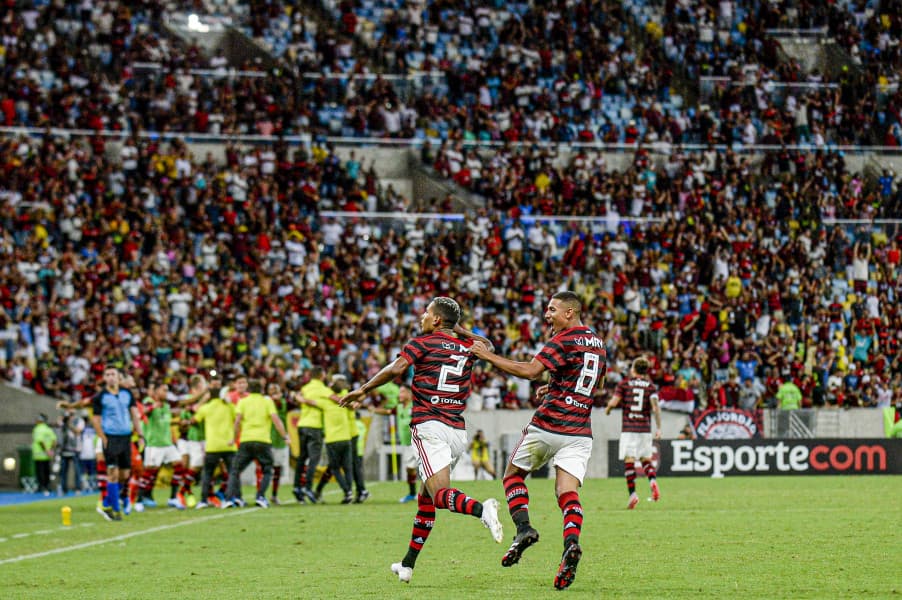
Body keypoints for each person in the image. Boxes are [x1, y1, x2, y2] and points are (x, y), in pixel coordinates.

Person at [341, 296, 504, 584]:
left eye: (426, 313)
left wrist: (363, 390)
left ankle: (483, 510)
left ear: (437, 319)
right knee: (426, 499)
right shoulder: (467, 346)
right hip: (457, 431)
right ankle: (407, 565)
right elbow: (488, 347)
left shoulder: (422, 343)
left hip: (430, 426)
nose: (422, 318)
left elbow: (396, 369)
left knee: (440, 495)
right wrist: (459, 330)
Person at [470, 290, 606, 591]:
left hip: (550, 424)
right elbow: (595, 382)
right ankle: (571, 544)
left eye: (552, 309)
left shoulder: (563, 339)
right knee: (566, 492)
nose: (547, 315)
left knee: (512, 476)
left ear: (570, 312)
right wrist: (556, 386)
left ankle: (523, 529)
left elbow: (530, 371)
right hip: (579, 431)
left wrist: (487, 356)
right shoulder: (598, 343)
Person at [604, 356, 663, 509]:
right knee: (645, 459)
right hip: (644, 428)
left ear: (633, 369)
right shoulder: (650, 386)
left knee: (629, 460)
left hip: (629, 428)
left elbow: (614, 402)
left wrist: (608, 409)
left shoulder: (624, 384)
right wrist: (659, 428)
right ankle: (652, 481)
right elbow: (655, 408)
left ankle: (633, 495)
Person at [223, 378, 290, 509]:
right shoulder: (267, 401)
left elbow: (237, 422)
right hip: (262, 441)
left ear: (249, 389)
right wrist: (285, 436)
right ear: (262, 390)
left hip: (246, 440)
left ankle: (229, 499)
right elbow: (276, 420)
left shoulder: (243, 402)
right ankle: (260, 497)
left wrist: (234, 438)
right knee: (267, 470)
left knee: (235, 470)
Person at [92, 366, 144, 521]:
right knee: (112, 473)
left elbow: (134, 415)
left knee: (124, 475)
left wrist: (140, 434)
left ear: (118, 377)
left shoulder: (127, 394)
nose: (110, 377)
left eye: (113, 374)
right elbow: (96, 420)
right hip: (111, 437)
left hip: (126, 437)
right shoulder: (100, 397)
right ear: (104, 378)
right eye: (107, 374)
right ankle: (115, 510)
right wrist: (103, 438)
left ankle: (106, 503)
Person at [192, 377, 237, 509]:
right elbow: (238, 417)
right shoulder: (229, 407)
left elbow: (194, 419)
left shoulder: (206, 408)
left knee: (207, 474)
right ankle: (229, 499)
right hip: (228, 445)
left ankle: (203, 500)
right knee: (232, 473)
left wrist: (202, 402)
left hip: (212, 446)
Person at [370, 385, 417, 503]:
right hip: (407, 443)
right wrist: (374, 410)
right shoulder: (399, 407)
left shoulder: (416, 406)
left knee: (419, 469)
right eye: (400, 392)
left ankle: (424, 495)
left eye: (402, 392)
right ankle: (413, 494)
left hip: (418, 442)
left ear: (409, 394)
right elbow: (388, 411)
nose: (400, 395)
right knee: (410, 468)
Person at [292, 367, 327, 504]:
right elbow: (332, 401)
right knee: (314, 459)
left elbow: (296, 398)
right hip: (315, 426)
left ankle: (296, 486)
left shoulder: (305, 388)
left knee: (302, 458)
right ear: (321, 375)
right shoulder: (323, 389)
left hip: (302, 425)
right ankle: (307, 487)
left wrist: (299, 398)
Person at [58, 408, 85, 495]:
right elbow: (59, 425)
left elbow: (78, 431)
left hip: (75, 449)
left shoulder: (79, 421)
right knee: (63, 470)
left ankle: (78, 488)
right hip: (64, 449)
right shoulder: (64, 420)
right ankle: (63, 489)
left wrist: (70, 424)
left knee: (77, 470)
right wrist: (63, 419)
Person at [32, 413, 56, 496]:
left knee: (40, 471)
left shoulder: (37, 429)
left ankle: (41, 487)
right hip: (47, 455)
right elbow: (54, 440)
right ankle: (47, 486)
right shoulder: (48, 429)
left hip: (39, 454)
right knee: (47, 471)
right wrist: (51, 450)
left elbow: (40, 441)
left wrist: (46, 450)